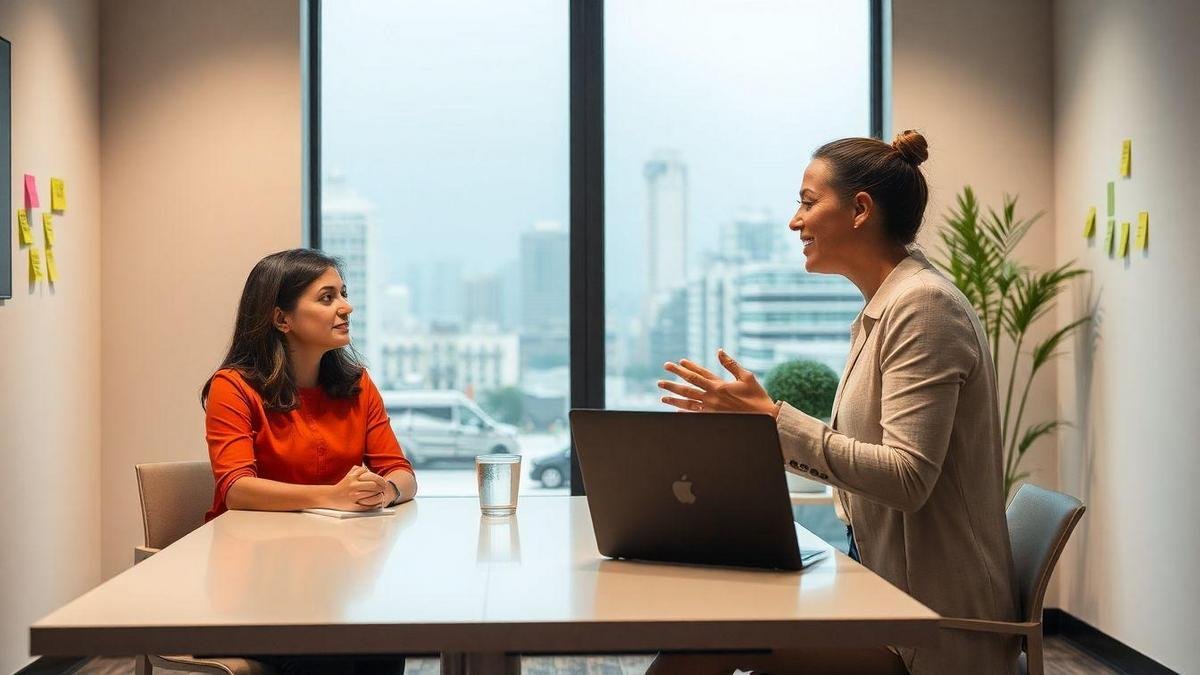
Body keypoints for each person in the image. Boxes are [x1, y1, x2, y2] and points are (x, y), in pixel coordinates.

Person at [651, 131, 1019, 675]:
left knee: (710, 640)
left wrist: (772, 420)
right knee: (722, 624)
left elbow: (906, 478)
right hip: (883, 600)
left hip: (932, 630)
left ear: (860, 210)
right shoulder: (888, 306)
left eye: (806, 202)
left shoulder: (923, 308)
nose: (794, 222)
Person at [201, 248, 416, 675]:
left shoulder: (357, 384)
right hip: (252, 584)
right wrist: (335, 497)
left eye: (344, 294)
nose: (346, 306)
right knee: (325, 651)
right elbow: (237, 490)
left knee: (385, 643)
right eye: (327, 297)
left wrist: (384, 490)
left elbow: (402, 473)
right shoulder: (234, 388)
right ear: (282, 319)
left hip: (332, 576)